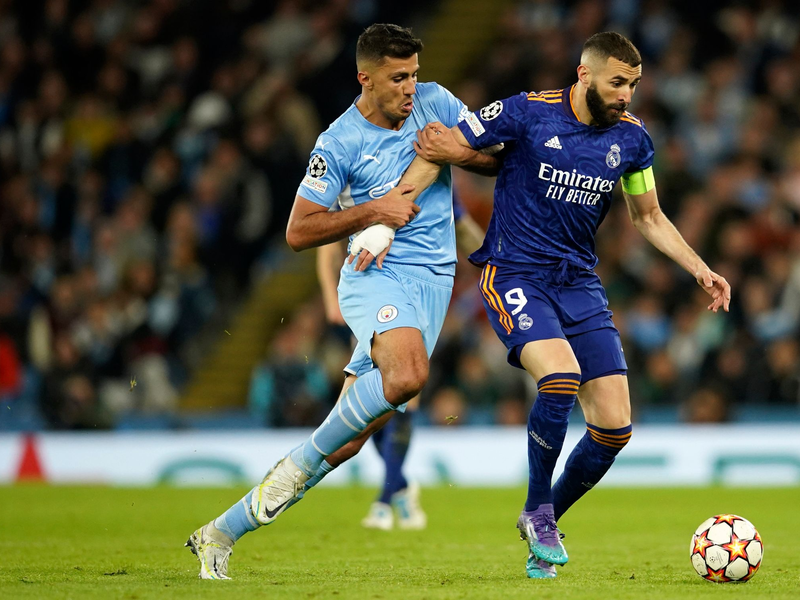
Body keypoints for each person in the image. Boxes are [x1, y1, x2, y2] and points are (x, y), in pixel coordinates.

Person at [409, 32, 731, 579]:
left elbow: (648, 216)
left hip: (578, 282)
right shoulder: (527, 111)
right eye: (617, 82)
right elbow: (442, 144)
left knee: (614, 427)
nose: (627, 94)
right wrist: (392, 212)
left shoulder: (633, 139)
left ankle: (544, 525)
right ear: (584, 75)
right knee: (559, 377)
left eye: (634, 84)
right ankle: (538, 510)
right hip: (514, 272)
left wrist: (699, 268)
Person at [185, 23, 499, 579]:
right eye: (398, 78)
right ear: (365, 79)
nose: (411, 88)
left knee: (345, 442)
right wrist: (374, 212)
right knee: (409, 375)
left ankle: (222, 531)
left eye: (414, 75)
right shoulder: (338, 142)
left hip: (434, 283)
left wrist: (454, 150)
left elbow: (494, 157)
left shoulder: (436, 101)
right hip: (373, 275)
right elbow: (299, 231)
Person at [316, 190, 484, 531]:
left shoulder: (433, 181)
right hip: (369, 293)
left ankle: (383, 501)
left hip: (420, 296)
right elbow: (327, 243)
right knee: (371, 403)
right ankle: (401, 486)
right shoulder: (362, 178)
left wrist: (501, 266)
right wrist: (331, 299)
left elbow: (464, 229)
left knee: (403, 394)